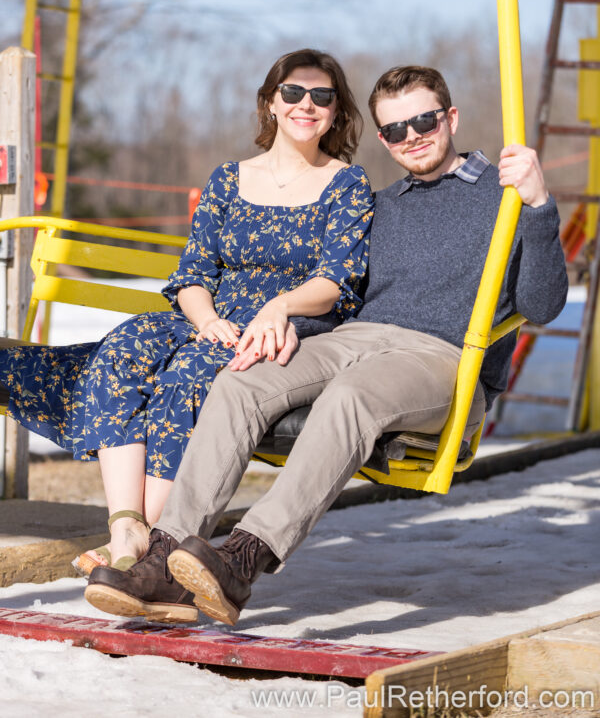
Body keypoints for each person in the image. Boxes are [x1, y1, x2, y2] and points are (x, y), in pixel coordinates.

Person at [84, 64, 568, 625]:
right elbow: (338, 286)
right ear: (383, 139)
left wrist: (537, 205)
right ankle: (165, 559)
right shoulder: (382, 205)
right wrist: (289, 318)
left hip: (442, 357)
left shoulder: (502, 195)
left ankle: (242, 558)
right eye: (394, 130)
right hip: (354, 338)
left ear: (451, 117)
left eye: (424, 121)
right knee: (241, 380)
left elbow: (543, 304)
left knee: (351, 396)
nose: (411, 136)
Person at [0, 48, 373, 575]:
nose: (305, 105)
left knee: (189, 377)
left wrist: (276, 307)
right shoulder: (228, 179)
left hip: (281, 325)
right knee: (124, 347)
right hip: (208, 317)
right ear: (270, 103)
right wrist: (206, 320)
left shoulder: (347, 184)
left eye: (321, 96)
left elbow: (333, 282)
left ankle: (152, 545)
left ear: (336, 111)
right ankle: (126, 525)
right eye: (293, 92)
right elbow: (194, 274)